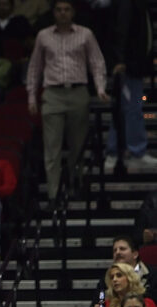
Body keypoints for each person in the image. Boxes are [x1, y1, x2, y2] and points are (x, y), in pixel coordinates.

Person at [26, 0, 109, 205]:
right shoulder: (43, 35)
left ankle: (75, 184)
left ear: (73, 12)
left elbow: (96, 62)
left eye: (67, 10)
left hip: (78, 91)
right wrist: (31, 96)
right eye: (59, 10)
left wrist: (100, 88)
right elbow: (35, 67)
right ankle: (54, 195)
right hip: (52, 93)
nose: (63, 13)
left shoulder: (85, 34)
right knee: (51, 148)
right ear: (54, 12)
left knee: (78, 146)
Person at [105, 0, 157, 168]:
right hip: (128, 67)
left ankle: (118, 151)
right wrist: (120, 61)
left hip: (135, 66)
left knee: (127, 108)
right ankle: (132, 150)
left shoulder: (141, 5)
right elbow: (121, 31)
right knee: (130, 108)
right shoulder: (128, 3)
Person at [91, 263, 157, 307]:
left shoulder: (147, 303)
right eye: (112, 277)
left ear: (130, 278)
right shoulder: (107, 304)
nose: (114, 280)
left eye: (119, 275)